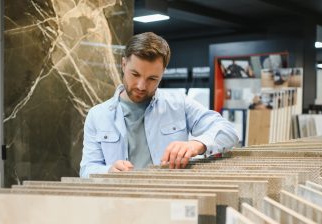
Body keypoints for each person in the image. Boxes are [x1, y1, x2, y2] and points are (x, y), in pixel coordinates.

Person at [80, 32, 239, 178]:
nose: (141, 86)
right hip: (118, 203)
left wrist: (196, 145)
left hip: (170, 199)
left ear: (162, 73)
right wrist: (108, 171)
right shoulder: (97, 115)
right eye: (135, 74)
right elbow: (87, 169)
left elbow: (229, 132)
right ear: (123, 65)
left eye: (152, 79)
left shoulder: (179, 104)